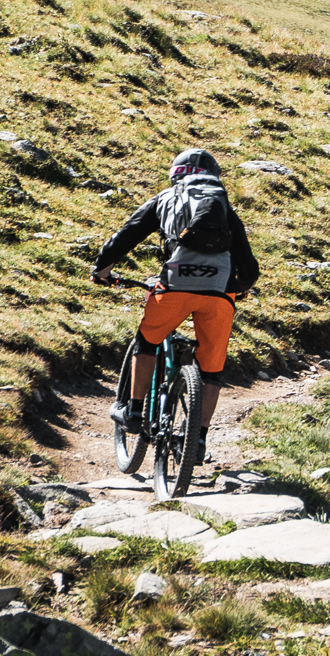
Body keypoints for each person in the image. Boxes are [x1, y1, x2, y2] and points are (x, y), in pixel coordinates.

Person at [92, 147, 260, 465]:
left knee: (148, 340)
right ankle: (197, 439)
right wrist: (239, 289)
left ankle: (135, 410)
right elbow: (249, 266)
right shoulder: (222, 206)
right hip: (219, 294)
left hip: (174, 287)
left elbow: (126, 235)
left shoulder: (167, 198)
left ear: (176, 174)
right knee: (212, 369)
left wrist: (102, 269)